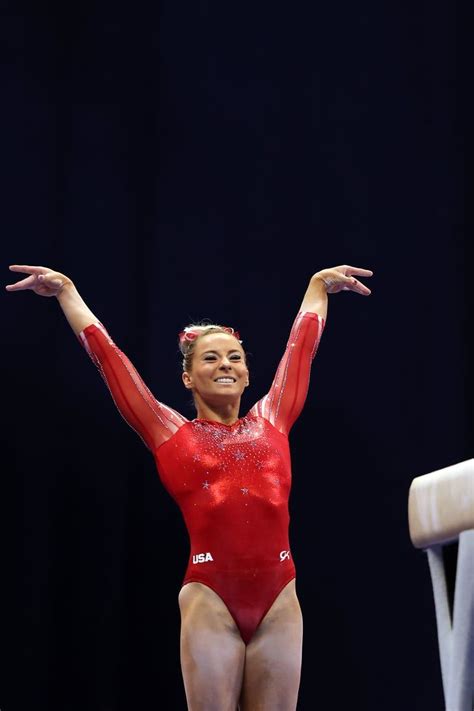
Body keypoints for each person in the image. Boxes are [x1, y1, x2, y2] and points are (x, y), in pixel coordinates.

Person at [6, 263, 373, 711]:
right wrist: (66, 291)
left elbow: (301, 351)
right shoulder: (168, 432)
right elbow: (110, 360)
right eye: (211, 358)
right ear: (188, 377)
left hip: (280, 596)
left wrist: (319, 286)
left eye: (235, 358)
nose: (226, 365)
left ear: (247, 375)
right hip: (211, 595)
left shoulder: (273, 419)